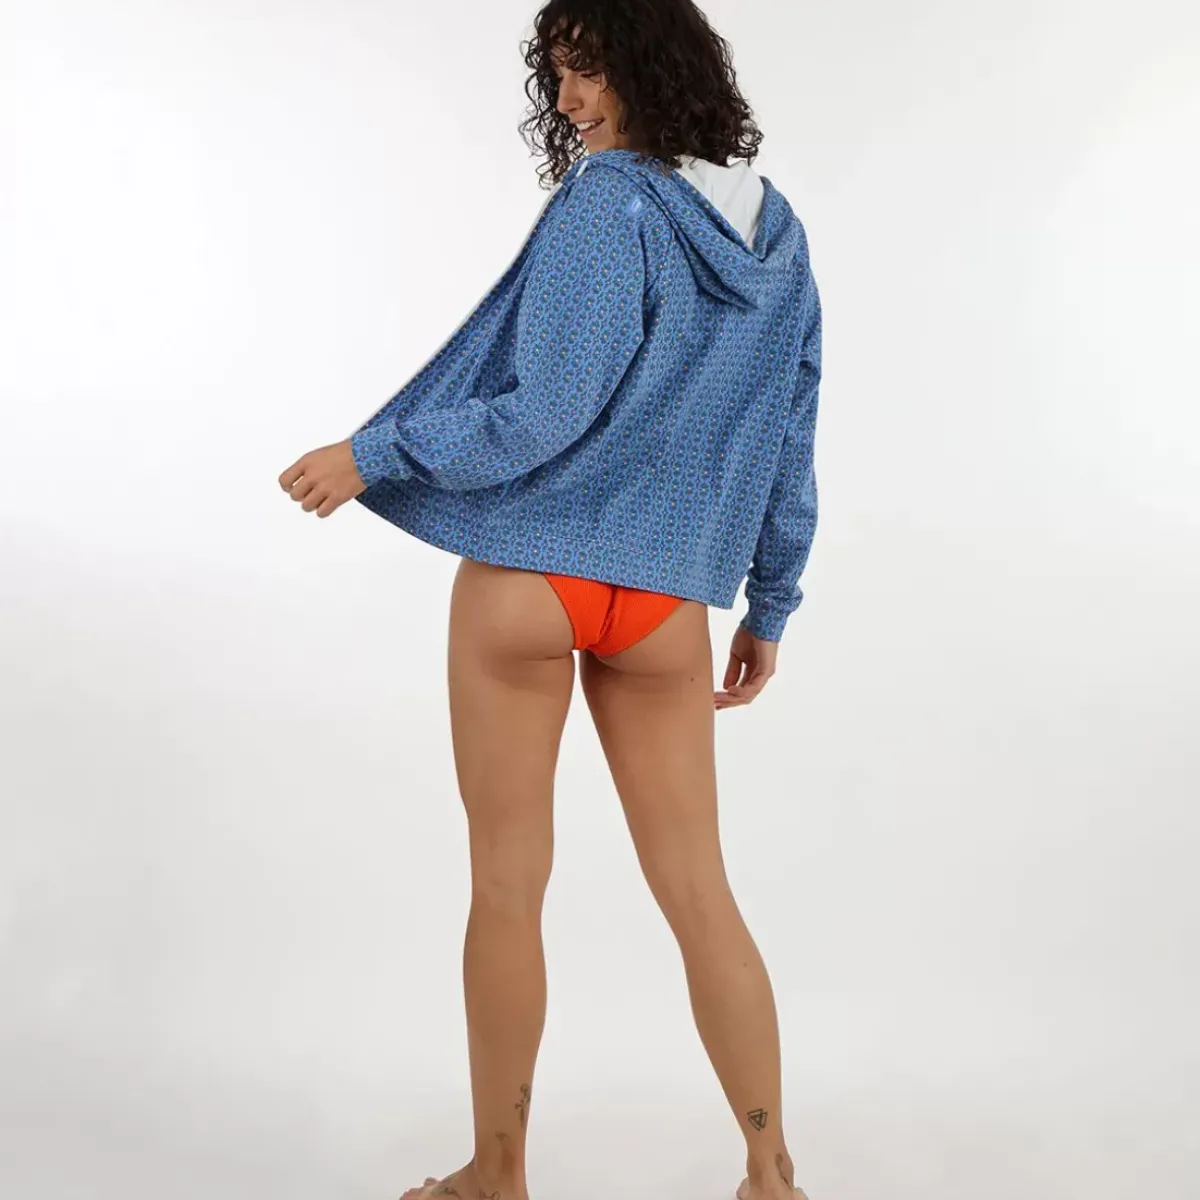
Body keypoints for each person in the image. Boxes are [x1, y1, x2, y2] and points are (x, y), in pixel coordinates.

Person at [278, 1, 822, 1197]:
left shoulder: (607, 205)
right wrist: (769, 604)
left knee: (507, 886)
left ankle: (498, 1175)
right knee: (701, 892)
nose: (569, 103)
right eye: (560, 76)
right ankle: (772, 1176)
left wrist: (372, 453)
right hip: (667, 606)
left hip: (532, 580)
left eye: (589, 74)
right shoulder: (776, 236)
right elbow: (789, 438)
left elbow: (545, 413)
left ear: (649, 71)